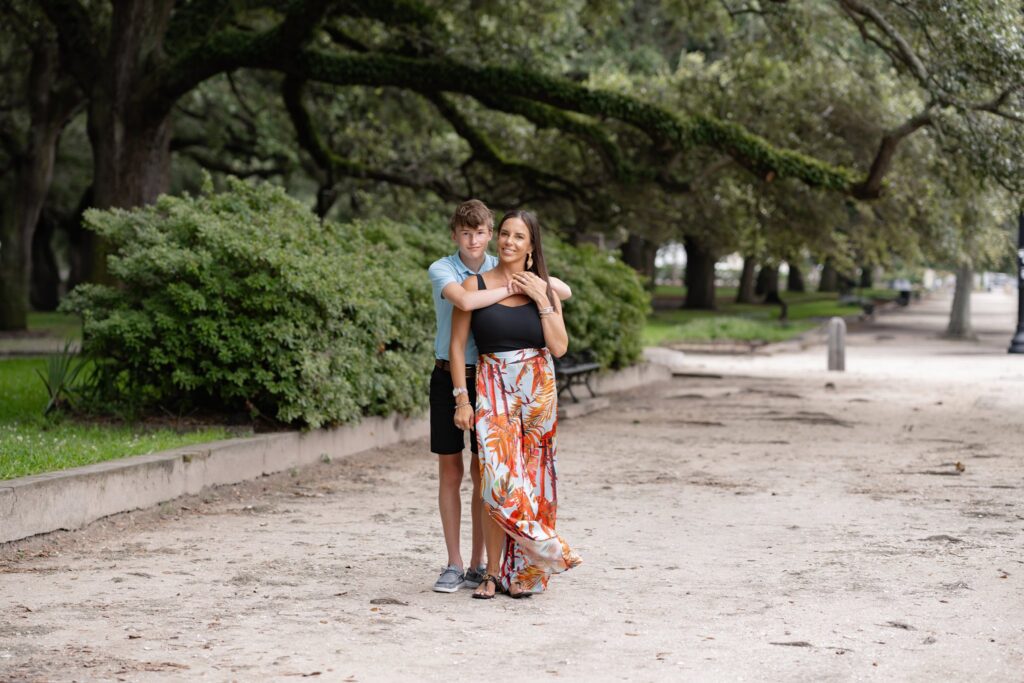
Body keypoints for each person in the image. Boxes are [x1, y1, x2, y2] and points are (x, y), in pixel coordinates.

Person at [427, 200, 572, 593]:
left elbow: (559, 346)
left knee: (535, 481)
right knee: (496, 480)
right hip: (491, 389)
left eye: (517, 236)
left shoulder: (542, 287)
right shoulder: (471, 283)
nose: (508, 241)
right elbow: (458, 341)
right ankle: (490, 569)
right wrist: (462, 399)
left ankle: (524, 571)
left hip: (536, 394)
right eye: (505, 233)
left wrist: (542, 296)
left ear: (531, 245)